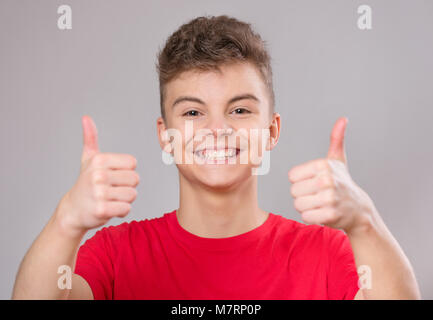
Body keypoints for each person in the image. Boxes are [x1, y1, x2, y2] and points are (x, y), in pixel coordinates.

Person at [12, 15, 420, 300]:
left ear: (272, 130)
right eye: (192, 112)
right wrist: (66, 220)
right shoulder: (115, 255)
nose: (217, 129)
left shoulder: (329, 254)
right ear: (165, 136)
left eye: (240, 110)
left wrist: (363, 221)